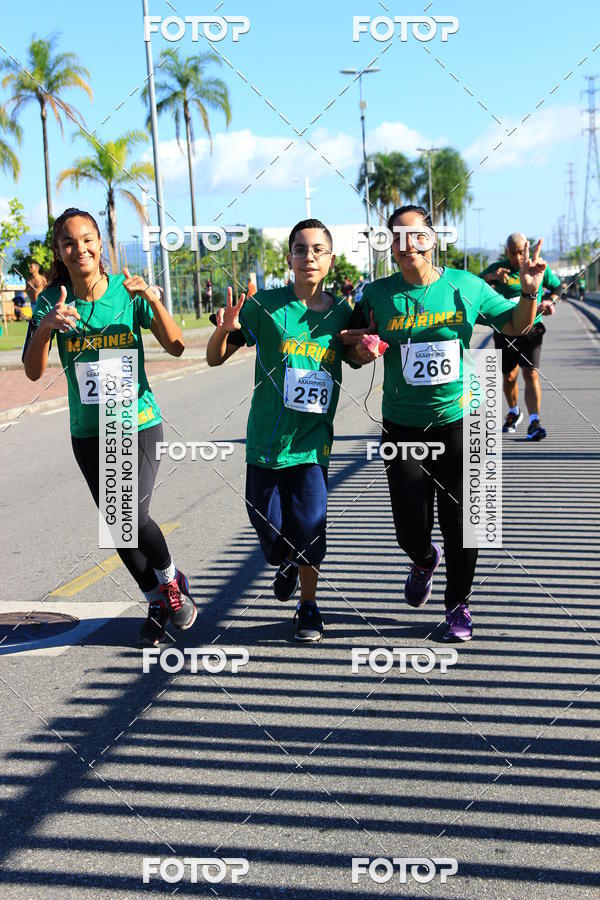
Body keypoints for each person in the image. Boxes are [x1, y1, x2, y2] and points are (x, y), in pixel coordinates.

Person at [338, 205, 547, 642]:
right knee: (409, 528)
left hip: (462, 418)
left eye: (416, 236)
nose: (407, 245)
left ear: (433, 240)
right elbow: (352, 353)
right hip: (403, 425)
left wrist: (528, 292)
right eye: (397, 237)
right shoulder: (376, 294)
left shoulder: (465, 285)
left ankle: (458, 604)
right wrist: (364, 350)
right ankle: (421, 558)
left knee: (462, 521)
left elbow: (516, 324)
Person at [22, 207, 196, 647]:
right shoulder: (52, 300)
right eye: (68, 242)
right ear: (59, 251)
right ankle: (154, 599)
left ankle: (172, 582)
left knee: (131, 514)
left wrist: (153, 299)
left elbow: (177, 347)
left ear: (101, 245)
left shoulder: (127, 289)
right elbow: (32, 372)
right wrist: (45, 326)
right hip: (88, 430)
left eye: (86, 239)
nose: (78, 248)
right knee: (117, 526)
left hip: (136, 421)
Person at [206, 218, 359, 643]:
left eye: (317, 250)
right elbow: (215, 358)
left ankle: (308, 606)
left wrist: (364, 350)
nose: (308, 257)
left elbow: (359, 357)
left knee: (311, 527)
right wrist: (223, 329)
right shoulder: (266, 306)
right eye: (299, 249)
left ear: (330, 258)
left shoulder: (345, 312)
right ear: (289, 258)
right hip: (266, 444)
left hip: (313, 446)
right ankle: (286, 560)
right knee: (271, 537)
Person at [480, 233, 561, 440]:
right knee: (509, 376)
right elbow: (474, 287)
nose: (517, 257)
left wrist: (550, 301)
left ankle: (534, 421)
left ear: (526, 249)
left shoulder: (536, 266)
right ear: (506, 251)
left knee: (530, 373)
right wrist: (491, 278)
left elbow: (558, 287)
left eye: (520, 251)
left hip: (532, 329)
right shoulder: (498, 269)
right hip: (505, 330)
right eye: (513, 252)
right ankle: (514, 412)